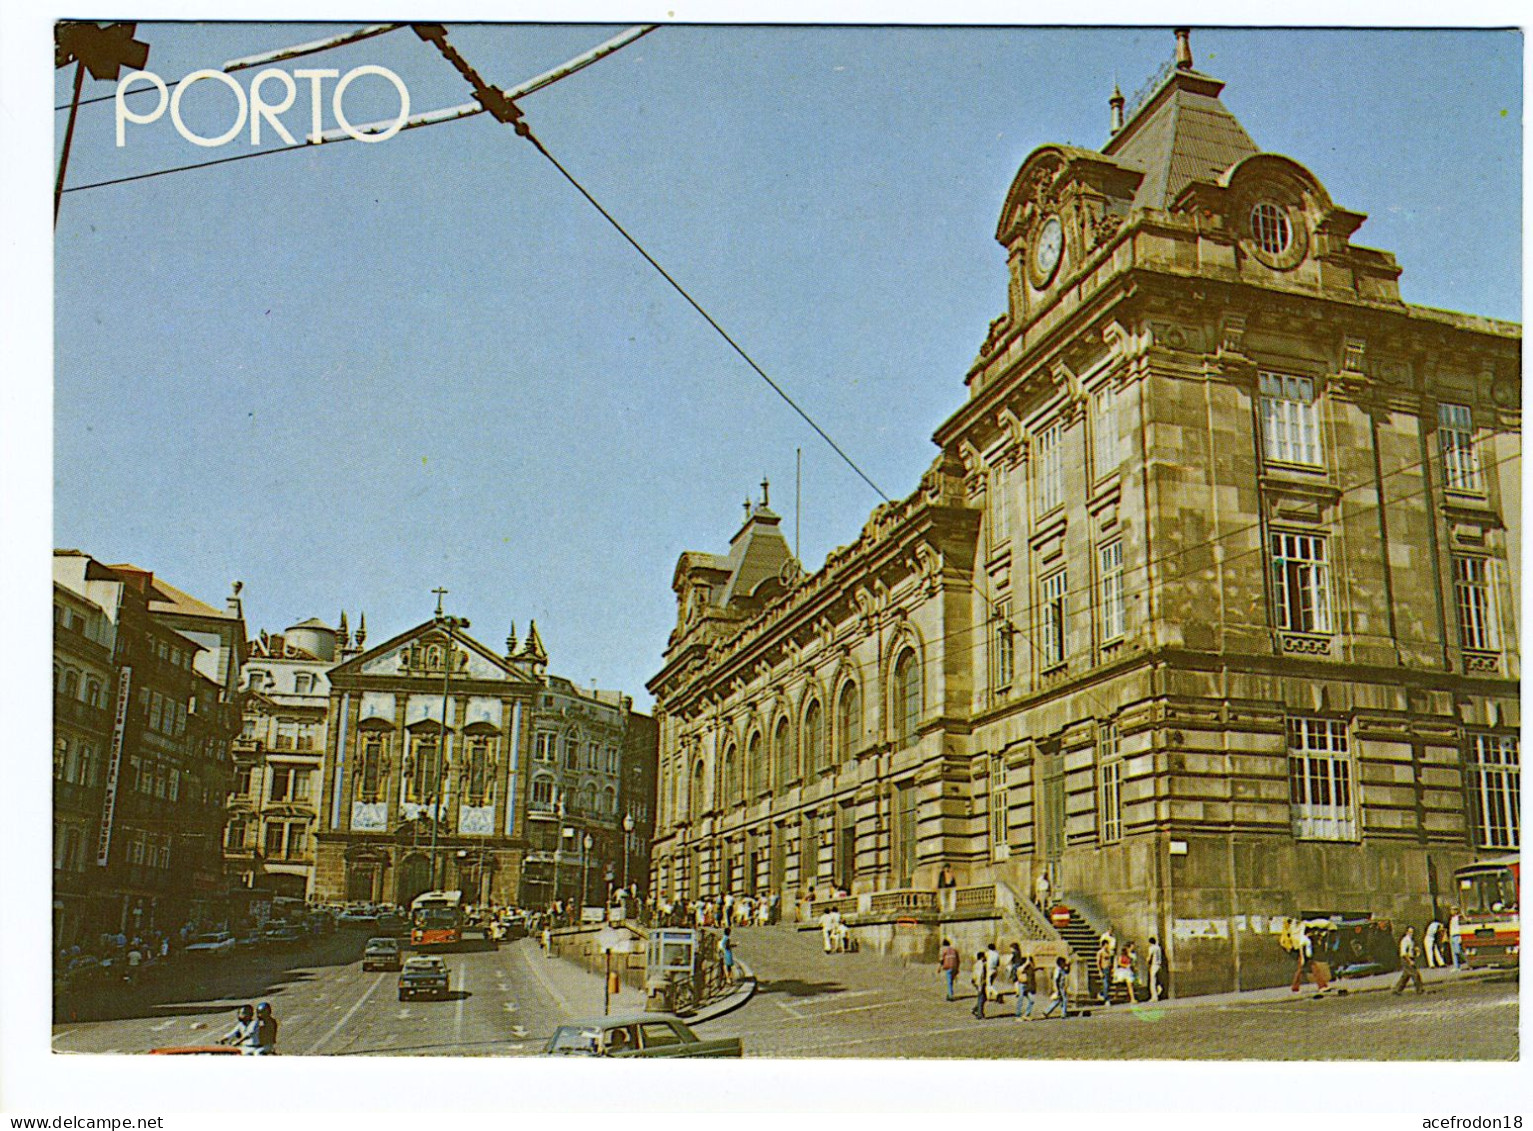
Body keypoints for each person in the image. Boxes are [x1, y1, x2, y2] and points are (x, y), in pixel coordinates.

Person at [1393, 926, 1424, 995]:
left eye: (1412, 932)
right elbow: (1404, 953)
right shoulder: (1405, 940)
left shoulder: (1411, 940)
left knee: (1405, 976)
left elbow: (1411, 948)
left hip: (1410, 958)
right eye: (1410, 932)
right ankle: (1420, 990)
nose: (1411, 933)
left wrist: (1416, 950)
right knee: (1415, 974)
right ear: (1406, 932)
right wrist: (1409, 961)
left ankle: (1397, 990)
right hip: (1406, 959)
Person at [1096, 937, 1115, 1004]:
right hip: (1104, 969)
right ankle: (1106, 999)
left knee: (1108, 984)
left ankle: (1102, 993)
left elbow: (1111, 961)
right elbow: (1098, 962)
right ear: (1104, 945)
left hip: (1109, 969)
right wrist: (1100, 971)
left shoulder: (1109, 952)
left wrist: (1112, 969)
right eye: (1107, 944)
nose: (1108, 946)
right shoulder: (1100, 952)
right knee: (1105, 984)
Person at [971, 952, 988, 1019]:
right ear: (982, 957)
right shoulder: (981, 965)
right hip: (980, 983)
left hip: (977, 982)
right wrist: (980, 984)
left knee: (983, 997)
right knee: (981, 998)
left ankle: (975, 1009)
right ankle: (979, 1013)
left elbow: (974, 974)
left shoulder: (976, 964)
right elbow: (980, 975)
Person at [1147, 936, 1165, 1002]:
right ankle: (1159, 988)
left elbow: (1149, 957)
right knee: (1157, 980)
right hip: (1159, 965)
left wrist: (1147, 961)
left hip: (1154, 965)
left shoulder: (1151, 948)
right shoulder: (1158, 948)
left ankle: (1154, 997)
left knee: (1152, 982)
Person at [1448, 907, 1464, 971]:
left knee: (1458, 951)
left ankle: (1468, 961)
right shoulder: (1451, 918)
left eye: (1453, 910)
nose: (1451, 911)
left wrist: (1460, 936)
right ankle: (1456, 967)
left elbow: (1461, 927)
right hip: (1452, 935)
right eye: (1451, 910)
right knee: (1454, 952)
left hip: (1457, 935)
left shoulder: (1458, 918)